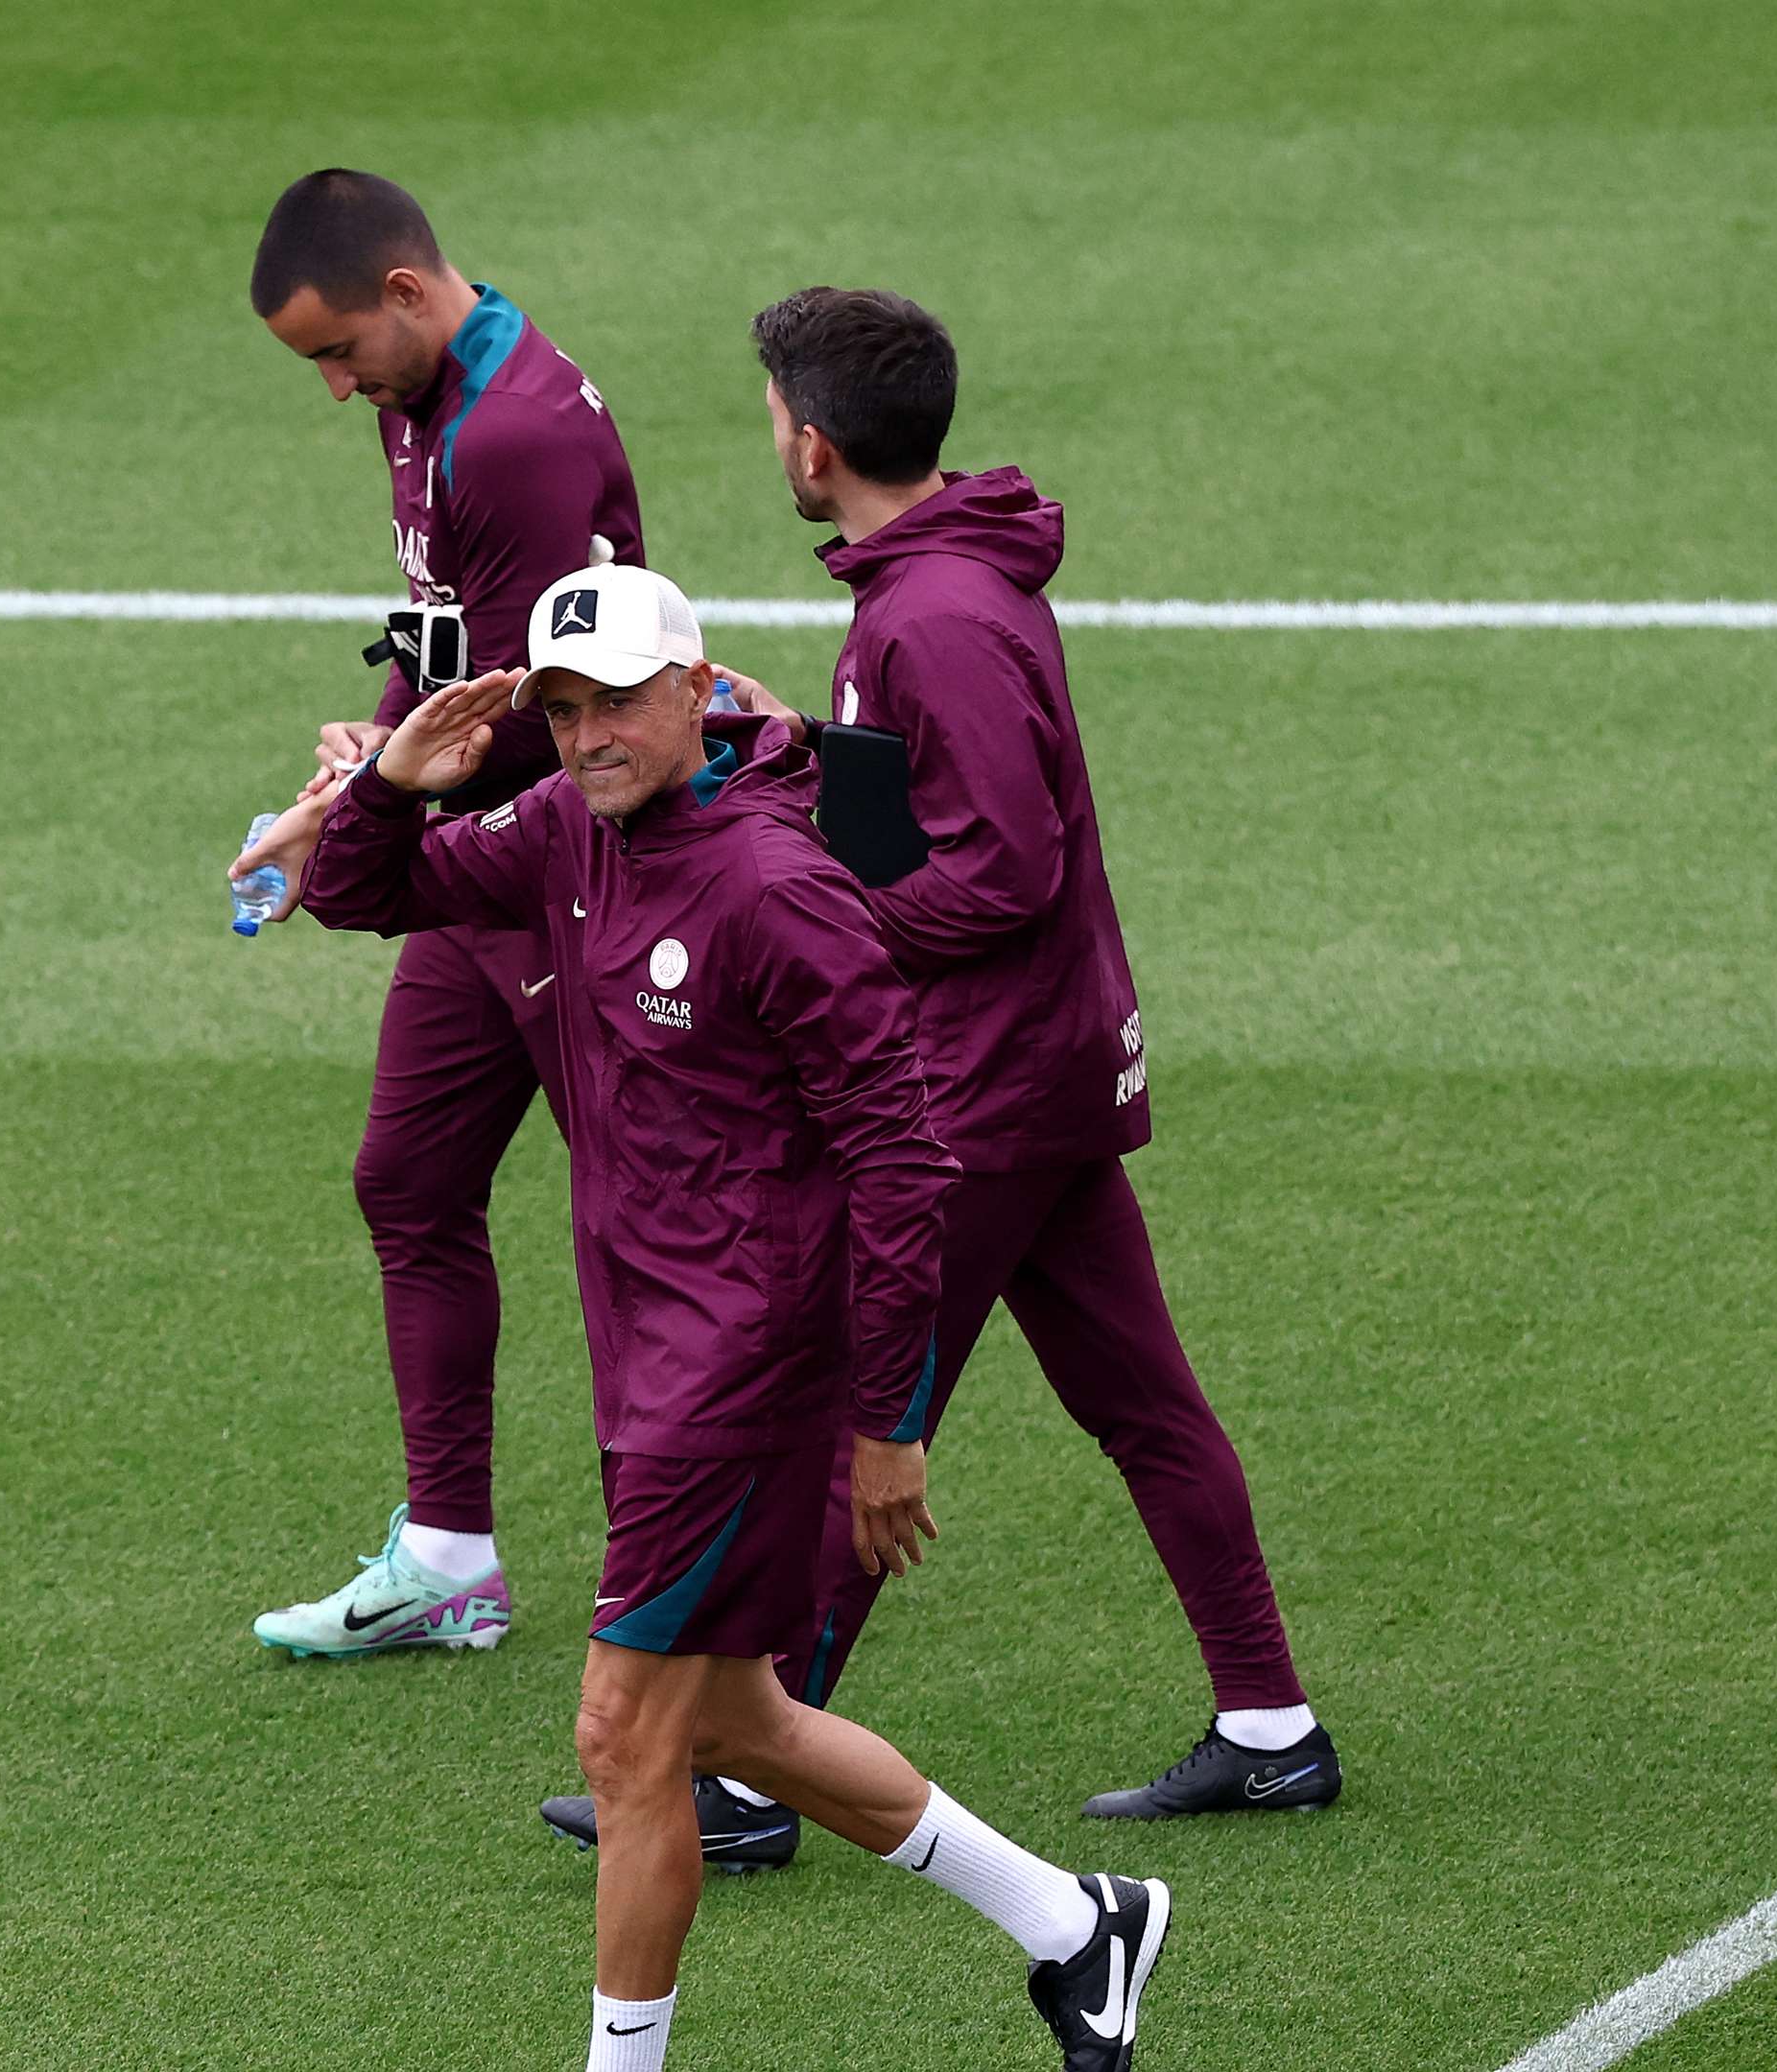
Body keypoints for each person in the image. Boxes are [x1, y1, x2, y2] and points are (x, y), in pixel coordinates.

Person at [234, 564, 1175, 2072]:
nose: (592, 731)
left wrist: (887, 1427)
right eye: (563, 704)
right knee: (742, 1725)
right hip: (649, 1352)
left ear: (694, 686)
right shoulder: (562, 830)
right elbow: (360, 894)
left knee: (622, 1738)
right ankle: (1079, 1927)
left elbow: (904, 1162)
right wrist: (398, 783)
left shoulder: (777, 891)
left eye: (618, 698)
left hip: (746, 1375)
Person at [536, 288, 1332, 1869]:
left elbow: (1003, 870)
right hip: (1031, 1068)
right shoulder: (932, 588)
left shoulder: (934, 614)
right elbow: (940, 809)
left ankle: (752, 1778)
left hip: (981, 1081)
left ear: (814, 442)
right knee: (1140, 1397)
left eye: (772, 414)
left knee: (855, 1414)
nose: (771, 435)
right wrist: (796, 754)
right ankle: (1271, 1728)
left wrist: (818, 905)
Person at [239, 168, 645, 1657]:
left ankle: (679, 1578)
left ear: (406, 293)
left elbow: (559, 711)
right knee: (407, 1178)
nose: (340, 390)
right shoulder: (432, 400)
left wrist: (371, 806)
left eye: (340, 353)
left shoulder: (513, 436)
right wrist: (364, 755)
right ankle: (450, 1555)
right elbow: (453, 651)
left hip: (558, 868)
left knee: (633, 1225)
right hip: (470, 857)